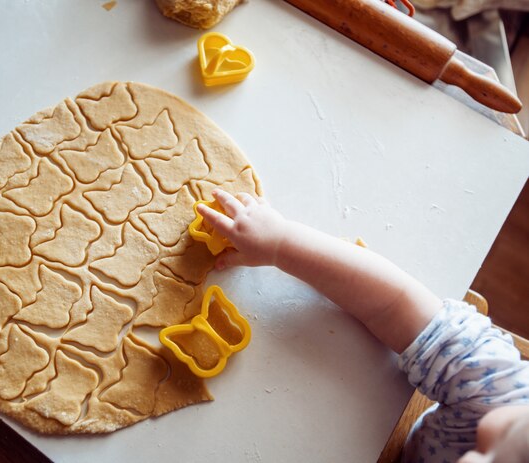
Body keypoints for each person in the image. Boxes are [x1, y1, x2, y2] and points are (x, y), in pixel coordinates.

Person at [197, 189, 529, 463]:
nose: (472, 461)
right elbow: (394, 304)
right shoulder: (499, 390)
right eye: (494, 443)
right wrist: (281, 244)